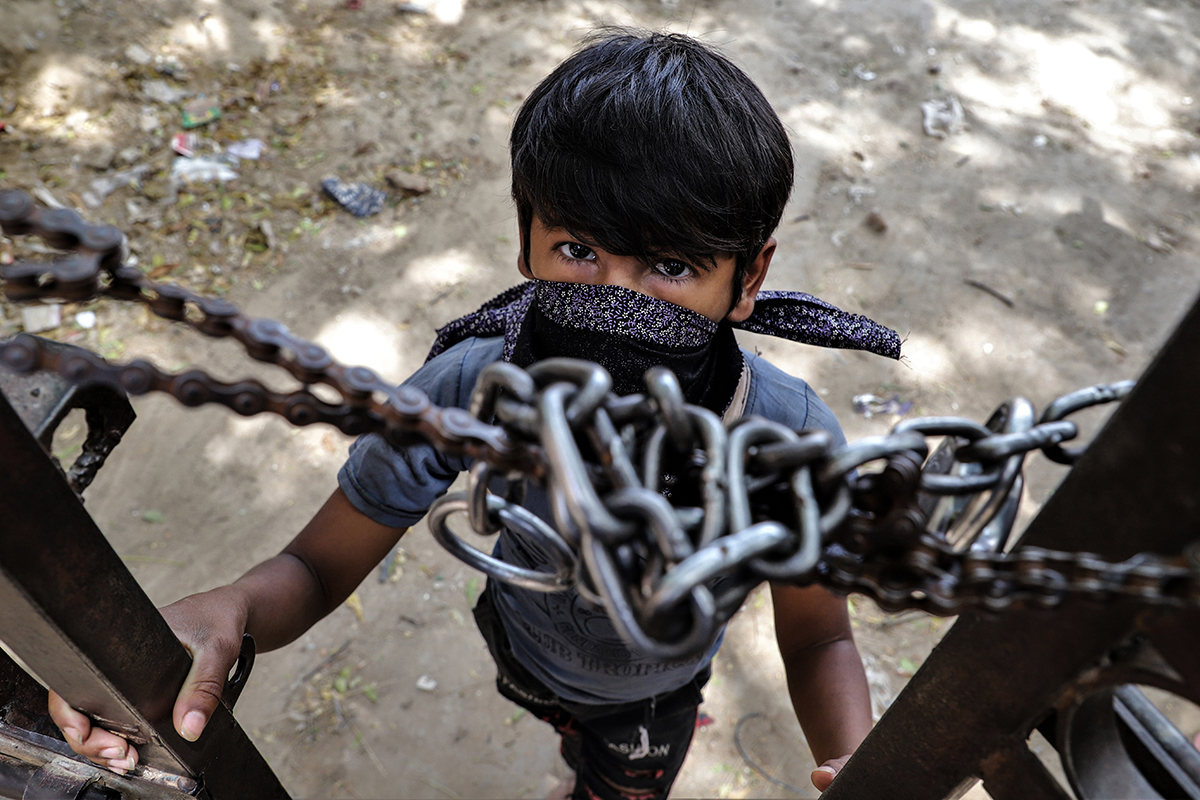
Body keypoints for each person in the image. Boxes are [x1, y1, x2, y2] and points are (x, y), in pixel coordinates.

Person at [50, 29, 901, 798]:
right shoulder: (468, 385)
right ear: (524, 237)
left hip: (654, 693)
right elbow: (314, 571)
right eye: (578, 252)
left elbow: (820, 639)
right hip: (521, 645)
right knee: (566, 734)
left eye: (671, 266)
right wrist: (230, 606)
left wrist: (854, 753)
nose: (615, 300)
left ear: (749, 279)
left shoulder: (783, 438)